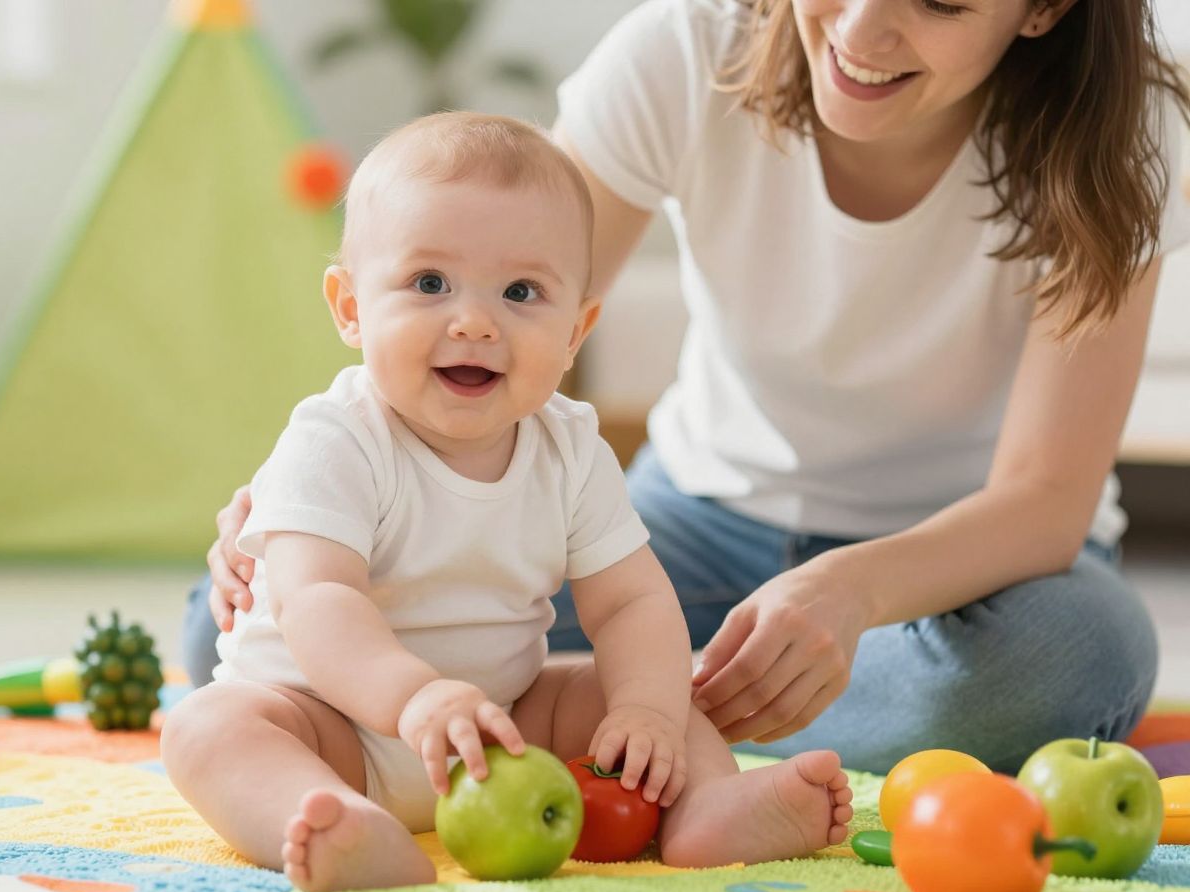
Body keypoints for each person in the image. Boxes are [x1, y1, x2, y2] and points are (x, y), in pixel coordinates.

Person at [186, 0, 1189, 775]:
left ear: (1043, 10)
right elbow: (491, 304)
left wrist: (853, 590)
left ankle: (651, 719)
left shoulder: (1126, 130)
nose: (860, 32)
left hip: (960, 571)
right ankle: (658, 718)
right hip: (695, 526)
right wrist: (328, 492)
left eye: (938, 3)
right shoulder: (686, 50)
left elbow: (1044, 501)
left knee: (1073, 659)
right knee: (235, 629)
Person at [161, 112, 853, 892]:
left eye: (521, 292)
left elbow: (631, 602)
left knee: (640, 690)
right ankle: (335, 823)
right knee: (208, 725)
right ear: (350, 307)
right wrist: (413, 698)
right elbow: (317, 599)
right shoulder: (336, 438)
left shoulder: (570, 447)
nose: (475, 322)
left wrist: (648, 712)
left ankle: (708, 809)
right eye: (430, 284)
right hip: (333, 726)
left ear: (576, 330)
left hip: (506, 724)